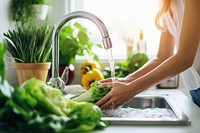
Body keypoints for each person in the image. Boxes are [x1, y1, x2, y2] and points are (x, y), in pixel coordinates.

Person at [96, 0, 200, 109]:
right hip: (195, 90)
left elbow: (185, 58)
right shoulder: (168, 3)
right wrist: (126, 80)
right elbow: (162, 56)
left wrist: (132, 88)